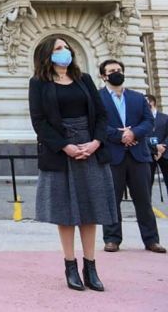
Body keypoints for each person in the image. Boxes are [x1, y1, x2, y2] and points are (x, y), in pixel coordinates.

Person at [28, 37, 116, 292]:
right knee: (65, 213)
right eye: (58, 48)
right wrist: (64, 145)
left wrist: (96, 142)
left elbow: (101, 114)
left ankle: (91, 266)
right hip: (61, 151)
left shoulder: (84, 79)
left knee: (92, 210)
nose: (64, 52)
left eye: (66, 47)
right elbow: (39, 122)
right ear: (47, 54)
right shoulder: (38, 84)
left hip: (90, 149)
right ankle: (70, 265)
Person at [98, 59, 164, 253]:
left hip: (138, 156)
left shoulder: (137, 97)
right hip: (113, 156)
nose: (116, 72)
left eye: (119, 69)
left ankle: (151, 240)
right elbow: (97, 124)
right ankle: (112, 239)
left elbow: (149, 121)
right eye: (111, 71)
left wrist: (133, 133)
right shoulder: (98, 98)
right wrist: (120, 136)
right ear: (104, 76)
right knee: (112, 200)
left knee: (143, 200)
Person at [148, 94, 168, 196]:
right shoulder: (142, 120)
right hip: (149, 154)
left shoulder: (165, 118)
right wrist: (154, 147)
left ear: (152, 103)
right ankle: (148, 210)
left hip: (165, 154)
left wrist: (163, 146)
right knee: (147, 183)